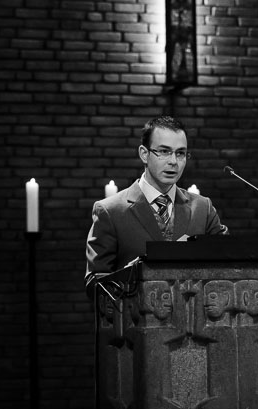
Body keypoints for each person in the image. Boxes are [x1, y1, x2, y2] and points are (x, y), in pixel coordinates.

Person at [85, 115, 228, 294]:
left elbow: (229, 264)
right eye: (164, 151)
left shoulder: (203, 208)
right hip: (136, 318)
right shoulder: (110, 211)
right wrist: (132, 274)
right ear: (144, 154)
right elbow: (95, 284)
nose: (173, 161)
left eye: (180, 153)